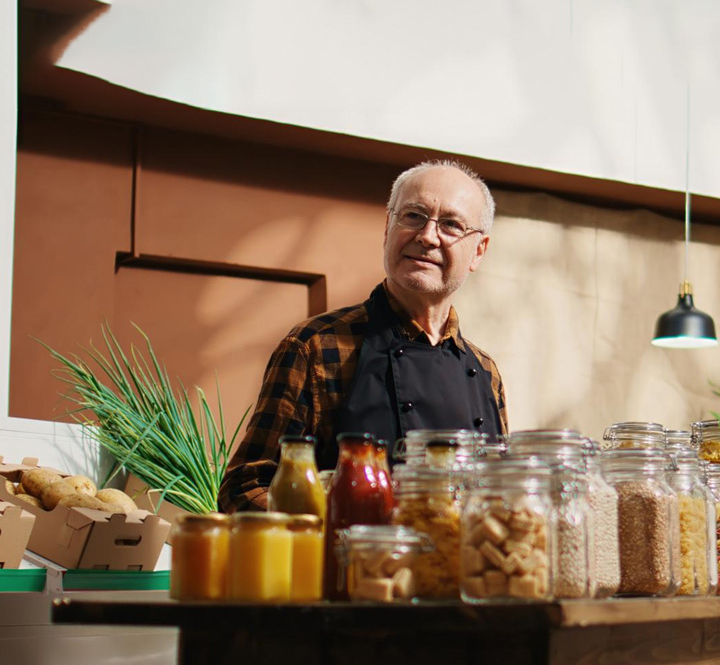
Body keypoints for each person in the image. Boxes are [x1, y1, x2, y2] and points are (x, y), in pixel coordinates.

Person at [218, 160, 508, 512]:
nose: (428, 236)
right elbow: (246, 488)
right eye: (413, 216)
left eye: (450, 224)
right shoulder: (315, 347)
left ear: (479, 250)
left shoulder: (486, 373)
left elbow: (498, 506)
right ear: (388, 228)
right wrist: (339, 540)